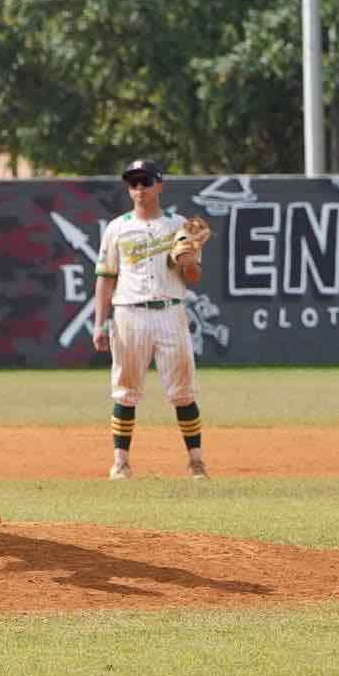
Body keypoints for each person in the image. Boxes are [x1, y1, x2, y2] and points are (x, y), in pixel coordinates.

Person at [91, 159, 209, 481]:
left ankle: (196, 463)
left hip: (171, 312)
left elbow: (193, 276)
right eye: (133, 183)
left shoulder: (178, 225)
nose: (139, 189)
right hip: (129, 313)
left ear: (159, 185)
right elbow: (105, 277)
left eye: (145, 182)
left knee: (183, 391)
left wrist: (187, 261)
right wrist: (99, 323)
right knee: (125, 391)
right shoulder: (117, 228)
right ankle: (121, 463)